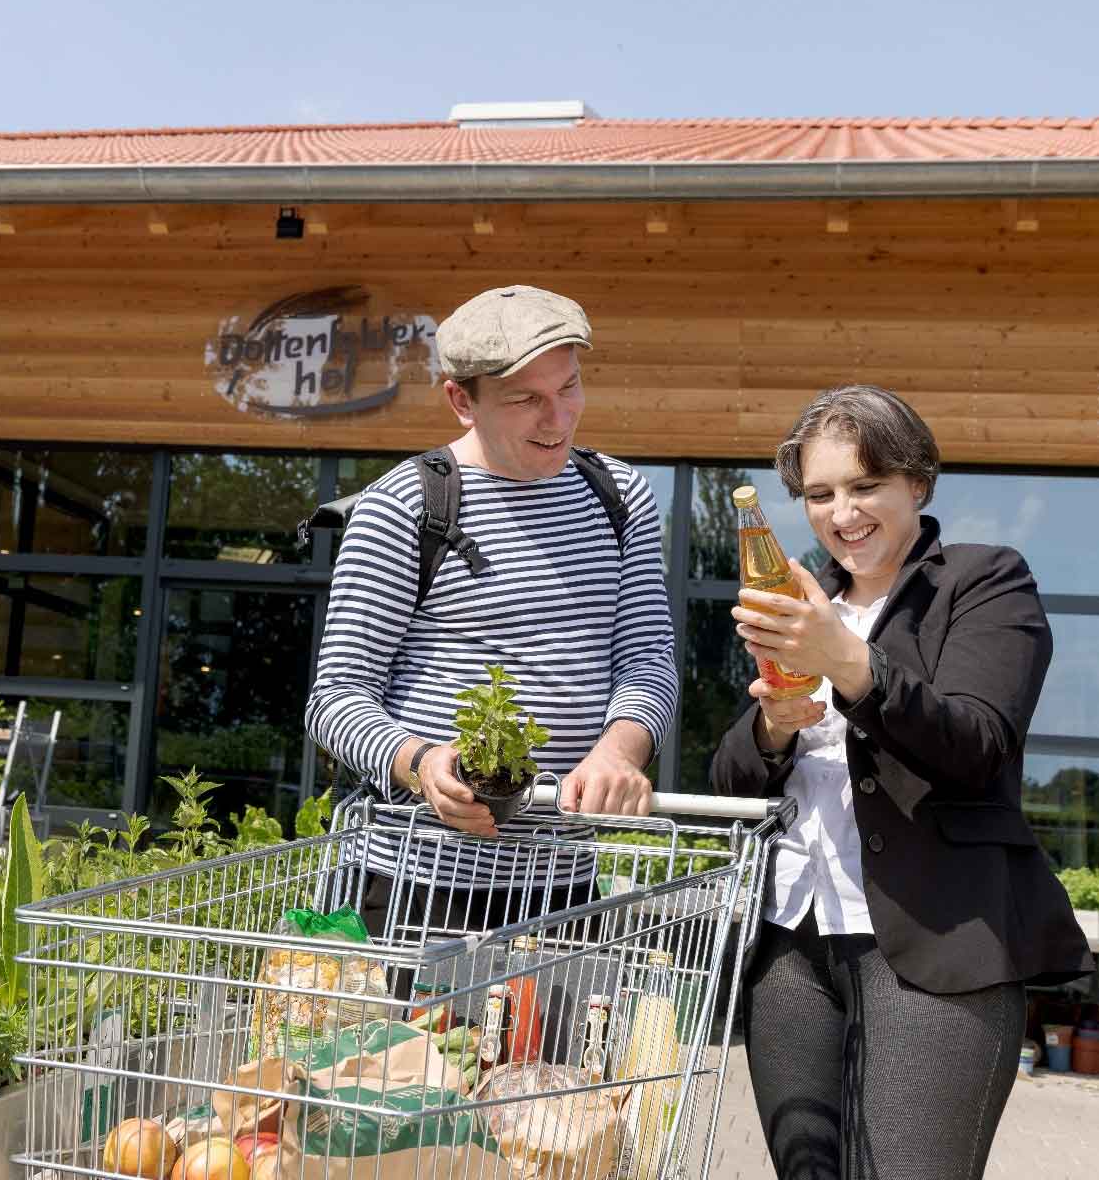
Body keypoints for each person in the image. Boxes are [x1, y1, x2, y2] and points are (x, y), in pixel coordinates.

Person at [710, 384, 1093, 1180]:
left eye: (864, 485)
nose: (840, 513)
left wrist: (848, 663)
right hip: (791, 945)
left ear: (917, 481)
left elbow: (976, 744)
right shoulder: (802, 603)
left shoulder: (984, 583)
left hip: (935, 946)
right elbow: (733, 780)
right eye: (818, 494)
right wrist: (775, 724)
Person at [305, 284, 677, 941]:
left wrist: (619, 750)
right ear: (460, 400)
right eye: (526, 400)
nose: (558, 419)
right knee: (421, 1051)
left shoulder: (619, 497)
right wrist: (418, 762)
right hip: (416, 886)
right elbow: (336, 698)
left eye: (569, 388)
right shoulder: (407, 507)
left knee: (555, 1049)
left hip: (563, 880)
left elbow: (645, 658)